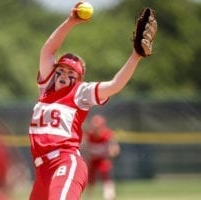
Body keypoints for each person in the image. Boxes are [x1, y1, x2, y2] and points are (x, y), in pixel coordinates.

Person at [28, 3, 155, 200]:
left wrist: (136, 56)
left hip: (64, 162)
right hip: (41, 171)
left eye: (71, 72)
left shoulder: (79, 92)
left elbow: (114, 85)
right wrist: (70, 22)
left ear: (78, 79)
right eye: (60, 69)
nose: (63, 74)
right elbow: (47, 51)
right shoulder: (46, 89)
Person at [84, 114, 120, 200]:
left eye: (98, 126)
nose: (95, 128)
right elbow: (85, 147)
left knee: (106, 175)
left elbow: (114, 146)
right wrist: (86, 156)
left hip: (103, 159)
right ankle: (88, 196)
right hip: (92, 159)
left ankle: (109, 196)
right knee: (90, 179)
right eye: (94, 126)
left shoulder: (107, 134)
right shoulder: (89, 134)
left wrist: (113, 152)